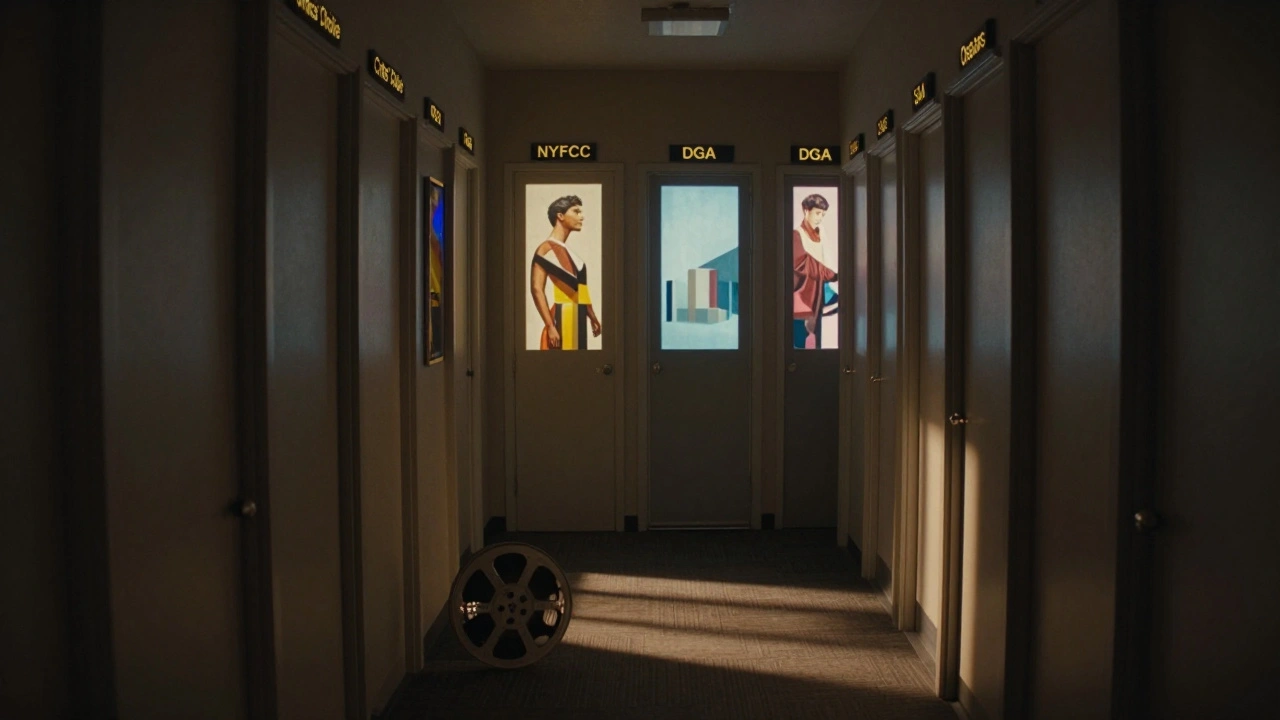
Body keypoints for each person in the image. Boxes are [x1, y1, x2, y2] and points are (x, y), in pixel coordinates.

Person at [530, 195, 601, 350]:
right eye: (576, 212)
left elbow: (581, 289)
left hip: (578, 321)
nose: (581, 217)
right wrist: (550, 326)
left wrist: (592, 315)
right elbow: (537, 289)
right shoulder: (545, 249)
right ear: (560, 216)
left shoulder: (571, 253)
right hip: (560, 320)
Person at [792, 193, 838, 349]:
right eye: (817, 213)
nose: (820, 218)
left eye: (823, 215)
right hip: (801, 294)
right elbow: (803, 263)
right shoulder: (796, 235)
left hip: (818, 292)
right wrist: (831, 274)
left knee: (818, 336)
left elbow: (827, 259)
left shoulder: (820, 233)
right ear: (806, 211)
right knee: (799, 340)